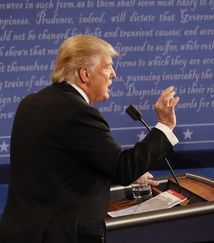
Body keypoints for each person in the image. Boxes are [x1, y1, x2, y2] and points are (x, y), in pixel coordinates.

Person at [0, 35, 180, 243]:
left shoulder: (31, 102)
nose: (114, 74)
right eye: (107, 67)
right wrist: (165, 126)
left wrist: (132, 176)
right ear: (84, 74)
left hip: (20, 231)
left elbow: (59, 167)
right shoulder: (77, 112)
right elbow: (123, 169)